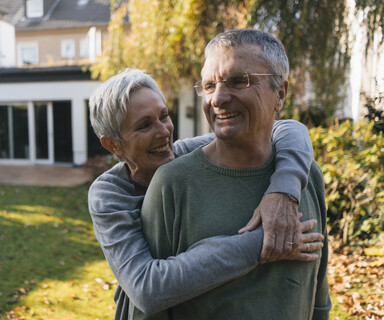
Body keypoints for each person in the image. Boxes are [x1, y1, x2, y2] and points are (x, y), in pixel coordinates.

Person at [88, 68, 324, 319]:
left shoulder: (187, 154)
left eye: (164, 116)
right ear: (112, 144)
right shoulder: (109, 194)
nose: (164, 131)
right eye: (145, 125)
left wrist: (282, 191)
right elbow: (147, 288)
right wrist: (268, 240)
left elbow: (287, 129)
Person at [137, 29, 332, 319]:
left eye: (238, 81)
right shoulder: (173, 185)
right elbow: (149, 308)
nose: (217, 99)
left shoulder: (306, 176)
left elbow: (317, 294)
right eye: (208, 85)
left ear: (280, 93)